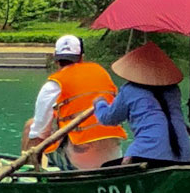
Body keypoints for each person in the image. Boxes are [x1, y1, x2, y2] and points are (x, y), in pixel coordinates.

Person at [22, 33, 126, 172]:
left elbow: (38, 132)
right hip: (115, 158)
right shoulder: (101, 73)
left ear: (56, 60)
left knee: (31, 126)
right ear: (82, 57)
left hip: (79, 164)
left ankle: (31, 174)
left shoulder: (54, 84)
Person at [92, 41, 190, 166]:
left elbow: (108, 118)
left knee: (106, 167)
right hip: (183, 154)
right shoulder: (173, 90)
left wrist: (99, 103)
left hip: (147, 153)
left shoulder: (130, 90)